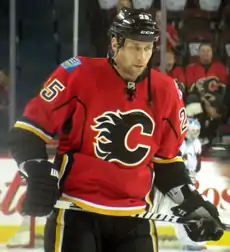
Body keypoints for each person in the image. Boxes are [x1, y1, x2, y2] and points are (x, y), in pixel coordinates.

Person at [9, 7, 224, 252]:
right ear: (115, 42)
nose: (142, 57)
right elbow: (27, 133)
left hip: (135, 220)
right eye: (134, 46)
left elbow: (167, 165)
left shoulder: (168, 91)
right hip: (76, 215)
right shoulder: (78, 73)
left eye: (147, 47)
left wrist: (192, 202)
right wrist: (37, 172)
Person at [176, 118, 207, 251]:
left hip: (191, 178)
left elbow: (197, 162)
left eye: (197, 131)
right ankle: (186, 241)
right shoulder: (179, 143)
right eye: (193, 131)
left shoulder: (196, 143)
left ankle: (190, 239)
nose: (195, 134)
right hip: (181, 179)